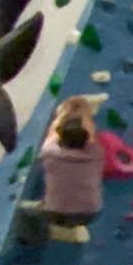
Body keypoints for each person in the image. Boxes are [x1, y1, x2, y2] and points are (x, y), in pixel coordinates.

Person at [34, 97, 103, 244]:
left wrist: (63, 113)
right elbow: (90, 132)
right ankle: (72, 229)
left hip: (55, 214)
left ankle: (51, 230)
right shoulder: (95, 154)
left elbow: (53, 131)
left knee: (27, 212)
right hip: (89, 214)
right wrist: (85, 111)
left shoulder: (50, 153)